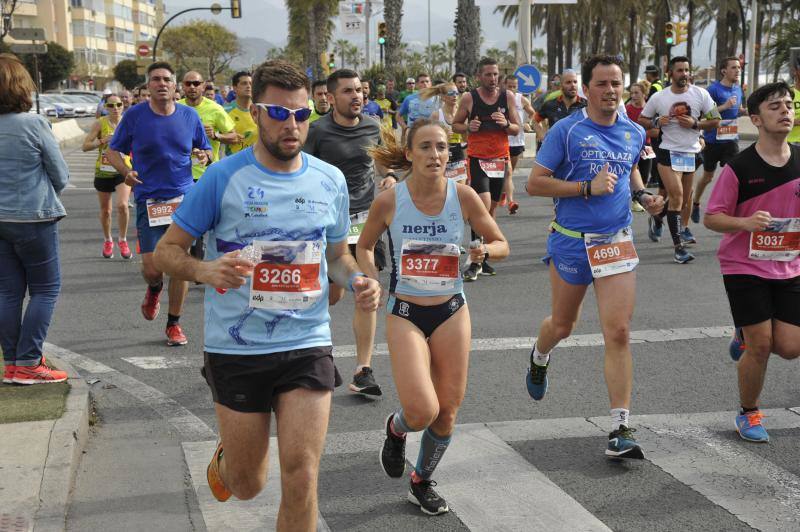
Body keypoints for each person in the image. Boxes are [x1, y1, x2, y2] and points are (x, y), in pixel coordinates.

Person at [153, 59, 381, 529]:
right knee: (246, 483)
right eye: (278, 114)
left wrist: (356, 280)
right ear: (256, 112)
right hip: (236, 348)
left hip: (306, 341)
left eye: (300, 115)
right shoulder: (222, 178)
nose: (292, 125)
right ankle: (228, 461)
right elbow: (166, 251)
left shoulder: (328, 180)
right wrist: (204, 269)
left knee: (302, 475)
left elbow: (338, 257)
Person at [357, 118, 509, 515]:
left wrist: (485, 252)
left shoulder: (465, 197)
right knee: (423, 410)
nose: (435, 154)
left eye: (442, 147)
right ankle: (396, 428)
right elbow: (365, 245)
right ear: (409, 153)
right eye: (425, 147)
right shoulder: (391, 200)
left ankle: (421, 480)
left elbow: (500, 242)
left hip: (451, 310)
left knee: (448, 411)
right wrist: (370, 279)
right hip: (405, 311)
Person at [524, 54, 665, 459]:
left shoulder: (634, 132)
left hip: (615, 240)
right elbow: (535, 184)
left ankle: (621, 426)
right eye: (602, 84)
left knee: (618, 331)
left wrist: (642, 196)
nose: (610, 90)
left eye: (616, 83)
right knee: (563, 325)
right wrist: (586, 188)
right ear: (587, 89)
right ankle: (540, 355)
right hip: (570, 240)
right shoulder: (566, 132)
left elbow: (630, 169)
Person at [703, 81, 800, 443]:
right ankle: (749, 412)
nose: (785, 111)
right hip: (744, 265)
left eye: (788, 105)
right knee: (761, 344)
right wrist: (745, 222)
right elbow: (712, 218)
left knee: (789, 347)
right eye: (775, 106)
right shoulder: (739, 168)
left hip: (790, 264)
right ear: (756, 119)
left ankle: (742, 333)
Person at [303, 69, 398, 397]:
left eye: (358, 90)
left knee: (367, 290)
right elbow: (302, 174)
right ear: (330, 97)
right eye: (347, 91)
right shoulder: (316, 132)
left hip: (365, 223)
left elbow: (385, 163)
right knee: (330, 295)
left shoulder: (373, 127)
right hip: (327, 227)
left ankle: (363, 369)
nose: (356, 96)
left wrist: (390, 178)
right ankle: (314, 350)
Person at [106, 61, 212, 347]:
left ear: (174, 85)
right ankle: (154, 288)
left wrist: (203, 155)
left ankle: (174, 324)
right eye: (156, 79)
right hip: (149, 199)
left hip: (182, 198)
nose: (162, 83)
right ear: (148, 85)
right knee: (153, 268)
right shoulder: (135, 116)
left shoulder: (189, 116)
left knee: (179, 264)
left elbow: (205, 148)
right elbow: (113, 150)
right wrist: (126, 172)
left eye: (166, 79)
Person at [0, 53, 70, 385]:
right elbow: (60, 175)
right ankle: (29, 361)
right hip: (33, 217)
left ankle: (13, 362)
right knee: (45, 288)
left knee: (8, 292)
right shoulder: (33, 124)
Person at [638, 56, 720, 263]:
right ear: (670, 74)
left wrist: (695, 124)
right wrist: (657, 120)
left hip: (690, 152)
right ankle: (679, 249)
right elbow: (642, 119)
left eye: (686, 70)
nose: (684, 74)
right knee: (677, 195)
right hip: (667, 151)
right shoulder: (659, 97)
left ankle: (657, 217)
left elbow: (716, 119)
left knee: (683, 200)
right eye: (680, 70)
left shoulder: (701, 94)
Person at [452, 56, 521, 281]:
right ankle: (473, 261)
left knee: (489, 212)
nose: (493, 78)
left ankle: (484, 257)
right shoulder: (469, 98)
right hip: (478, 159)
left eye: (495, 74)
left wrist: (506, 124)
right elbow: (455, 124)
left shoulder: (507, 96)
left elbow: (517, 127)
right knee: (480, 206)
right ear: (478, 77)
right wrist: (468, 127)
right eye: (488, 74)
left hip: (500, 160)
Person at [692, 57, 747, 224]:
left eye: (739, 67)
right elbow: (704, 115)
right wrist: (724, 107)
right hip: (712, 141)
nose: (738, 70)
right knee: (708, 177)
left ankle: (734, 210)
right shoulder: (713, 89)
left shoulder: (738, 90)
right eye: (734, 67)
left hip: (731, 140)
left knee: (737, 173)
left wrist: (745, 111)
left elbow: (735, 112)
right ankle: (696, 203)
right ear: (724, 70)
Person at [82, 93, 133, 259]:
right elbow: (85, 146)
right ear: (105, 107)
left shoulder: (129, 122)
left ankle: (123, 240)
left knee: (123, 206)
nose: (115, 108)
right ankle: (108, 240)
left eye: (118, 105)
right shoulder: (100, 123)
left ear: (123, 106)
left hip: (122, 170)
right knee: (106, 211)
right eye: (111, 106)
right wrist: (103, 140)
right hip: (103, 172)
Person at [178, 71, 237, 181]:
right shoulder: (175, 108)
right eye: (188, 83)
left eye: (196, 83)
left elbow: (234, 137)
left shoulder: (215, 109)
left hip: (207, 174)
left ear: (203, 86)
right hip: (180, 174)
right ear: (182, 86)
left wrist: (216, 135)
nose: (192, 87)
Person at [532, 69, 586, 152]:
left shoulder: (586, 105)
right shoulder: (550, 104)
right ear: (561, 85)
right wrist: (542, 135)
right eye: (568, 82)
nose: (573, 85)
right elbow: (535, 121)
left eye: (575, 82)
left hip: (578, 152)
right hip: (554, 151)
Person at [625, 82, 659, 212]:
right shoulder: (627, 110)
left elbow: (657, 131)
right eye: (631, 93)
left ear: (644, 95)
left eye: (636, 93)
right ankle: (634, 202)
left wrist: (640, 134)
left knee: (644, 175)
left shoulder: (650, 111)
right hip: (630, 146)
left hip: (646, 147)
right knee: (632, 173)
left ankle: (639, 198)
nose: (633, 96)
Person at [504, 74, 536, 214]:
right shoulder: (498, 99)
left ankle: (503, 193)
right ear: (504, 86)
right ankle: (511, 202)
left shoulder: (520, 99)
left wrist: (527, 123)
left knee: (509, 172)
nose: (511, 89)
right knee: (508, 172)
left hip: (517, 140)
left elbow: (533, 113)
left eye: (514, 86)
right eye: (509, 86)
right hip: (502, 141)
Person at [423, 82, 466, 184]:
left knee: (460, 189)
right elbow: (427, 136)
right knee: (443, 189)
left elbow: (468, 138)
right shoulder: (436, 115)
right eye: (451, 93)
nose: (455, 96)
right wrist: (442, 136)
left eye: (456, 93)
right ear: (443, 97)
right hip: (441, 155)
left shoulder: (463, 112)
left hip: (460, 153)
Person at [224, 71, 258, 156]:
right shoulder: (225, 111)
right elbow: (215, 135)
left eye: (251, 83)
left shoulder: (261, 110)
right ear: (235, 88)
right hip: (234, 163)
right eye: (244, 83)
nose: (248, 86)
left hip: (257, 162)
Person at [787, 54, 800, 146]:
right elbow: (777, 118)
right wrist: (795, 121)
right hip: (791, 143)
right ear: (795, 71)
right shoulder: (788, 93)